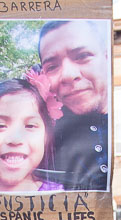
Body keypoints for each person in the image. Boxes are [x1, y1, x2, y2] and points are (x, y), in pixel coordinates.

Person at [35, 19, 110, 191]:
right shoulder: (44, 143)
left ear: (107, 58)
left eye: (83, 56)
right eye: (52, 66)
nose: (68, 75)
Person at [0, 79, 64, 193]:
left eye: (30, 126)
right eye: (0, 125)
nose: (15, 140)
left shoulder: (59, 195)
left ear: (46, 137)